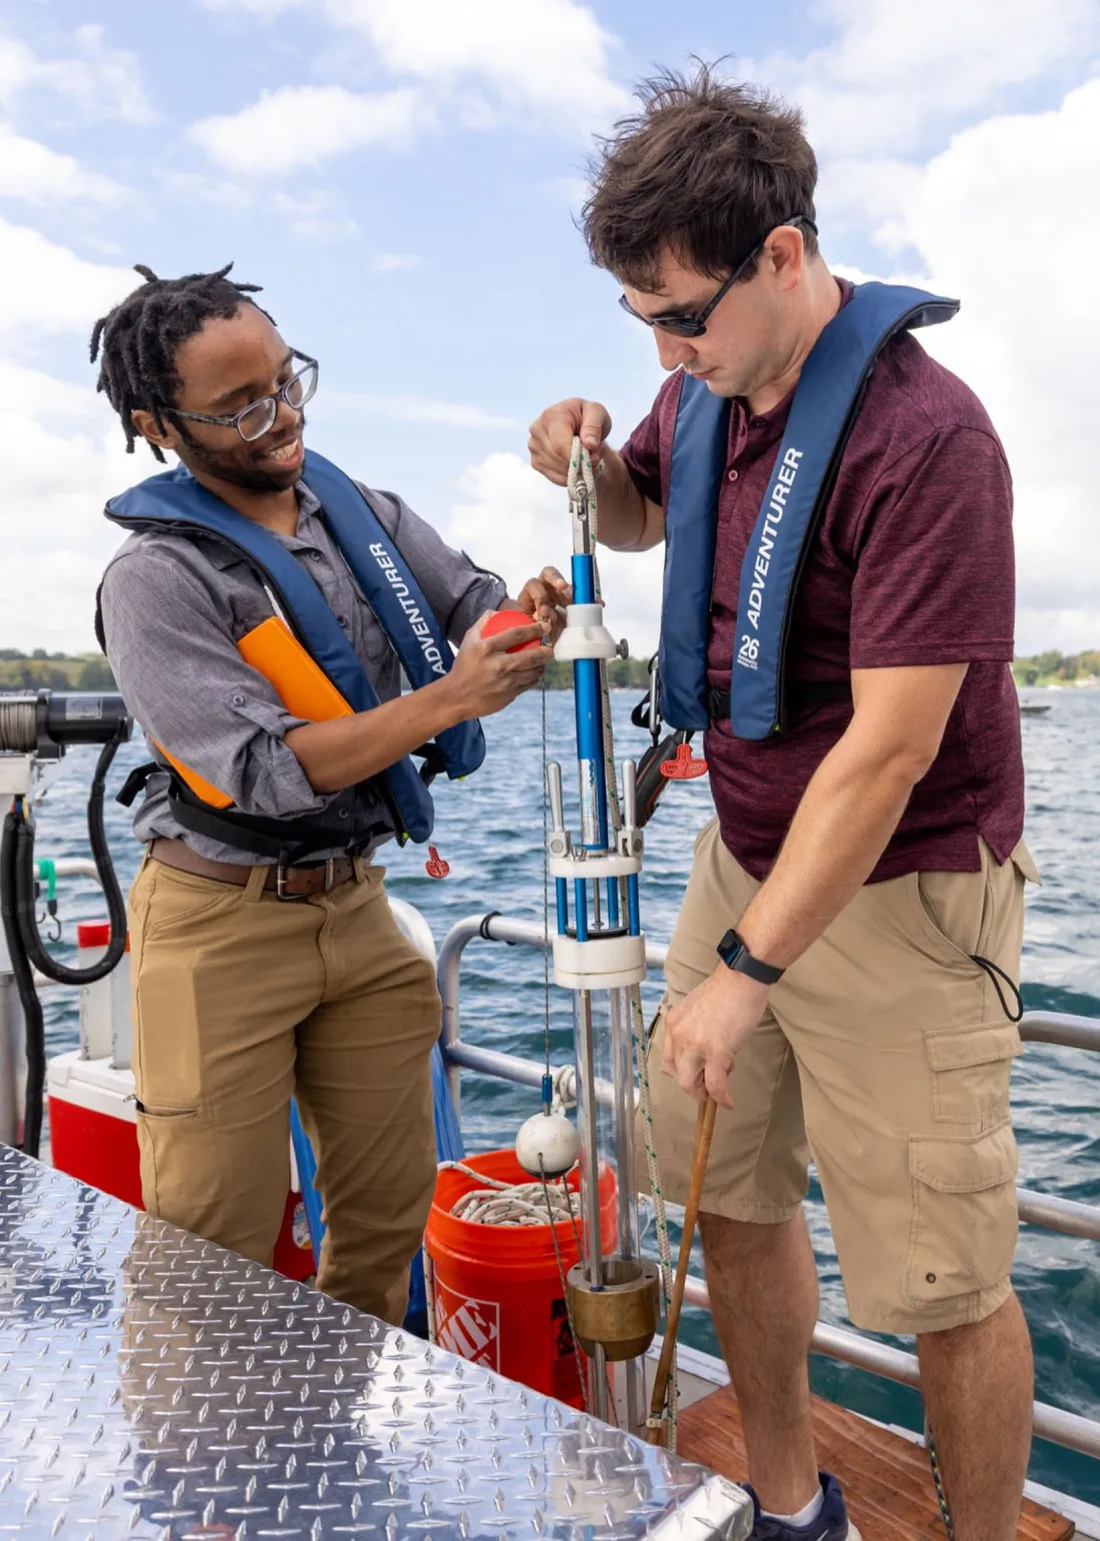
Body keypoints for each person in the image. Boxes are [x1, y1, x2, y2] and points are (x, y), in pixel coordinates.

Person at [529, 68, 1037, 1541]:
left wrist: (749, 974)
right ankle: (791, 1501)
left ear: (786, 257)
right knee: (734, 1201)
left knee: (944, 1282)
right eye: (641, 323)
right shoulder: (705, 392)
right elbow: (632, 509)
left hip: (907, 886)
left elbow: (887, 754)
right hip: (742, 850)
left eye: (683, 314)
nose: (667, 352)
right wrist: (570, 453)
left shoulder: (926, 440)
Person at [94, 263, 568, 1326]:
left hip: (355, 906)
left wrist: (521, 614)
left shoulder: (361, 511)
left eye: (288, 379)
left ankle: (342, 1453)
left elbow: (471, 601)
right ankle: (186, 1473)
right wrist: (449, 699)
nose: (281, 415)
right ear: (155, 424)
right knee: (210, 1230)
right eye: (241, 404)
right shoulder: (154, 580)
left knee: (386, 1212)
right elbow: (259, 768)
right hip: (219, 923)